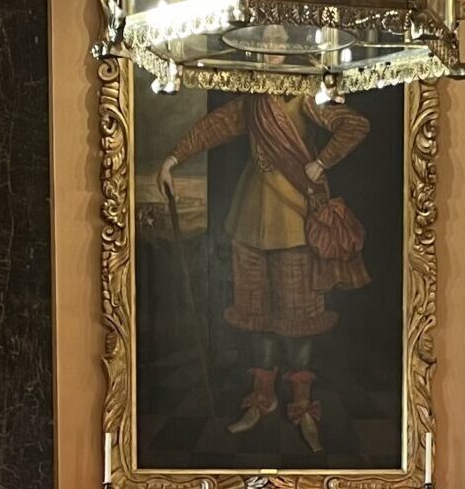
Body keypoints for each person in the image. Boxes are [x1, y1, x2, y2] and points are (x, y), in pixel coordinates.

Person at [158, 93, 370, 453]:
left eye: (278, 42)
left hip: (295, 223)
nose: (271, 50)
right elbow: (215, 126)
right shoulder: (254, 101)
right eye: (266, 41)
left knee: (300, 317)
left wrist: (322, 162)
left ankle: (303, 408)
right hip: (249, 220)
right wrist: (171, 161)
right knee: (256, 314)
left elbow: (355, 125)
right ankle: (263, 401)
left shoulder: (307, 96)